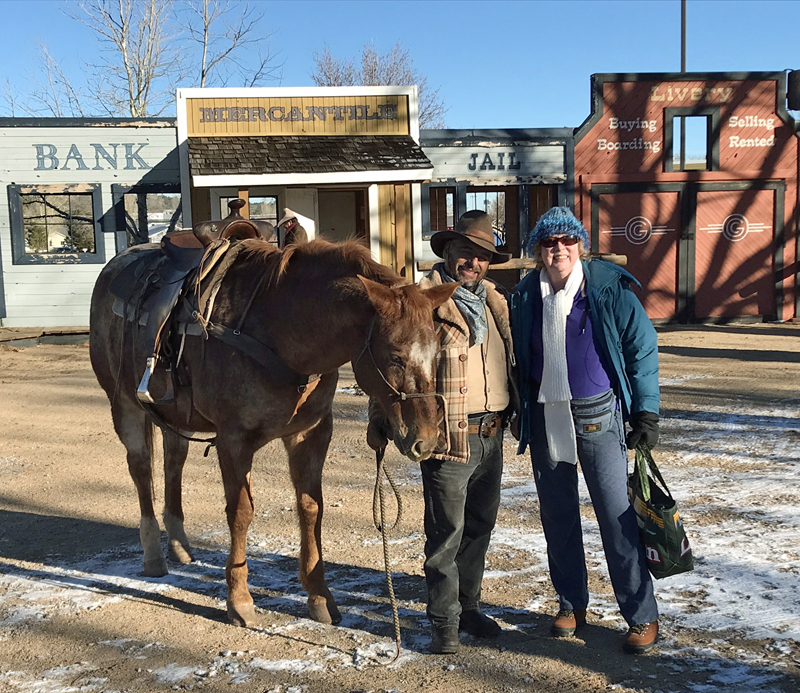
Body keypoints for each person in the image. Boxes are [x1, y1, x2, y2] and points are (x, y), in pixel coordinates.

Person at [509, 206, 660, 654]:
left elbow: (641, 348)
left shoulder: (609, 289)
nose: (558, 249)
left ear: (580, 246)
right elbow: (518, 358)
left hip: (597, 414)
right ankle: (571, 604)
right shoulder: (524, 296)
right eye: (549, 243)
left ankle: (641, 615)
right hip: (546, 414)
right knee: (558, 516)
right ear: (538, 250)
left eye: (567, 241)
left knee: (616, 517)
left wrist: (646, 413)